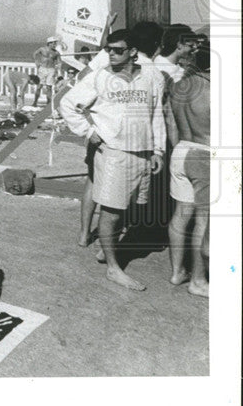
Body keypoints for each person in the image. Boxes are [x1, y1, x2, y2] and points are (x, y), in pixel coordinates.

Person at [59, 29, 166, 291]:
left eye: (117, 49)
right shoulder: (100, 77)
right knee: (112, 212)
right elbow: (67, 104)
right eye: (108, 49)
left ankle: (105, 248)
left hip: (142, 152)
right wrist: (89, 132)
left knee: (126, 209)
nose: (111, 54)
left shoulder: (152, 76)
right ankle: (113, 268)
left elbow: (157, 115)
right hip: (113, 153)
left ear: (132, 52)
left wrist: (158, 150)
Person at [167, 43, 211, 297]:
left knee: (181, 215)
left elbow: (172, 126)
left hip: (181, 151)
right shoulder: (215, 89)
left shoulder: (179, 85)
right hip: (204, 154)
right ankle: (198, 280)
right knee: (203, 222)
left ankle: (176, 272)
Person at [32, 36, 61, 106]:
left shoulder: (56, 53)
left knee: (49, 87)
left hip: (51, 69)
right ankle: (35, 102)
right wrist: (37, 62)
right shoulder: (42, 49)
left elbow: (59, 62)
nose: (55, 45)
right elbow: (35, 54)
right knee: (39, 86)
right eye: (54, 43)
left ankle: (48, 103)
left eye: (55, 43)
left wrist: (58, 69)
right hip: (42, 69)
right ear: (49, 43)